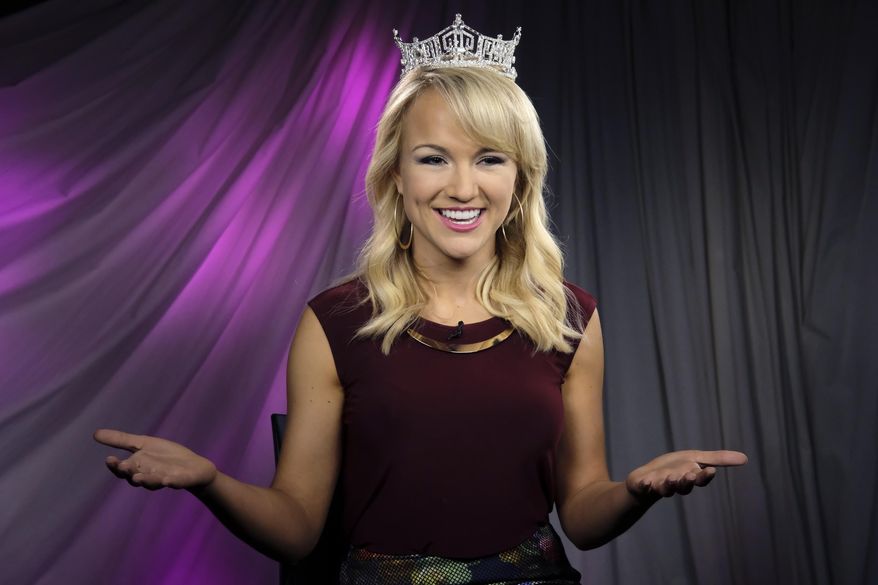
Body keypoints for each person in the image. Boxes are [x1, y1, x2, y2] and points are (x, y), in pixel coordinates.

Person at [94, 15, 747, 585]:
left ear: (519, 180)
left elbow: (582, 514)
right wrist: (210, 481)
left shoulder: (571, 317)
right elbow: (294, 527)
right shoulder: (335, 321)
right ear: (396, 176)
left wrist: (634, 491)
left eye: (489, 158)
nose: (462, 187)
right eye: (434, 158)